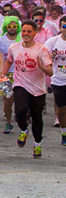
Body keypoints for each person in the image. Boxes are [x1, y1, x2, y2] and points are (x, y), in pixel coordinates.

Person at [0, 20, 53, 159]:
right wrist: (3, 73)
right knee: (20, 111)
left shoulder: (41, 50)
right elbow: (9, 60)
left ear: (35, 33)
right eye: (24, 31)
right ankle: (23, 130)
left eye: (29, 31)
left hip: (37, 89)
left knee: (36, 117)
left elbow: (50, 71)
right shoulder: (14, 47)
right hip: (20, 85)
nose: (26, 34)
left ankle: (37, 143)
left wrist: (42, 67)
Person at [0, 15, 21, 134]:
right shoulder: (0, 40)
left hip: (20, 74)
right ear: (6, 27)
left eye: (14, 26)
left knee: (20, 101)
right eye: (10, 26)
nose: (12, 28)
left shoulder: (21, 39)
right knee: (7, 100)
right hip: (6, 74)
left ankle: (21, 119)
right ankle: (8, 122)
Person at [44, 15, 66, 146]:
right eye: (64, 26)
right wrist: (50, 56)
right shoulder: (53, 41)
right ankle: (64, 132)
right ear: (60, 27)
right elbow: (43, 54)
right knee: (62, 109)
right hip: (59, 79)